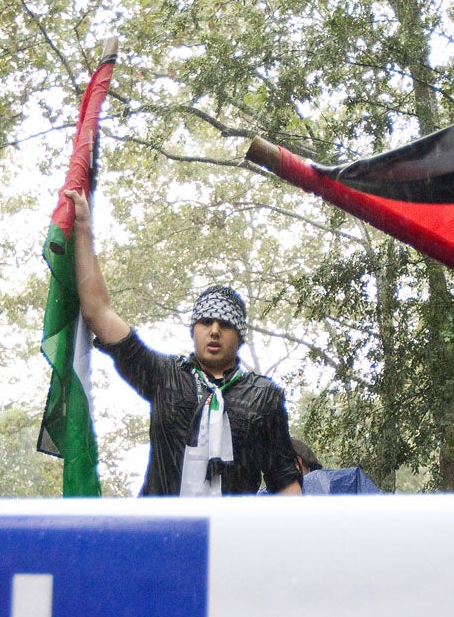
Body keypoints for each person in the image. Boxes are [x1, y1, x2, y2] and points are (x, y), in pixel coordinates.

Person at [62, 188, 300, 496]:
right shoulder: (165, 375)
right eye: (206, 322)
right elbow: (98, 312)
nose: (214, 330)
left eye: (225, 324)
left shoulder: (265, 397)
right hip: (159, 535)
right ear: (193, 330)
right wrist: (84, 230)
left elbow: (285, 484)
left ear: (240, 336)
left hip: (229, 538)